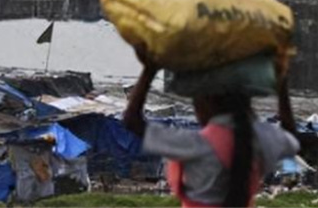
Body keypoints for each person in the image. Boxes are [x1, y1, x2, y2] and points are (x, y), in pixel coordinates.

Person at [123, 59, 300, 208]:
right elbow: (291, 137)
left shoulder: (195, 144)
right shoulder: (262, 139)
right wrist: (282, 85)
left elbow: (132, 121)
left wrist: (150, 68)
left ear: (207, 101)